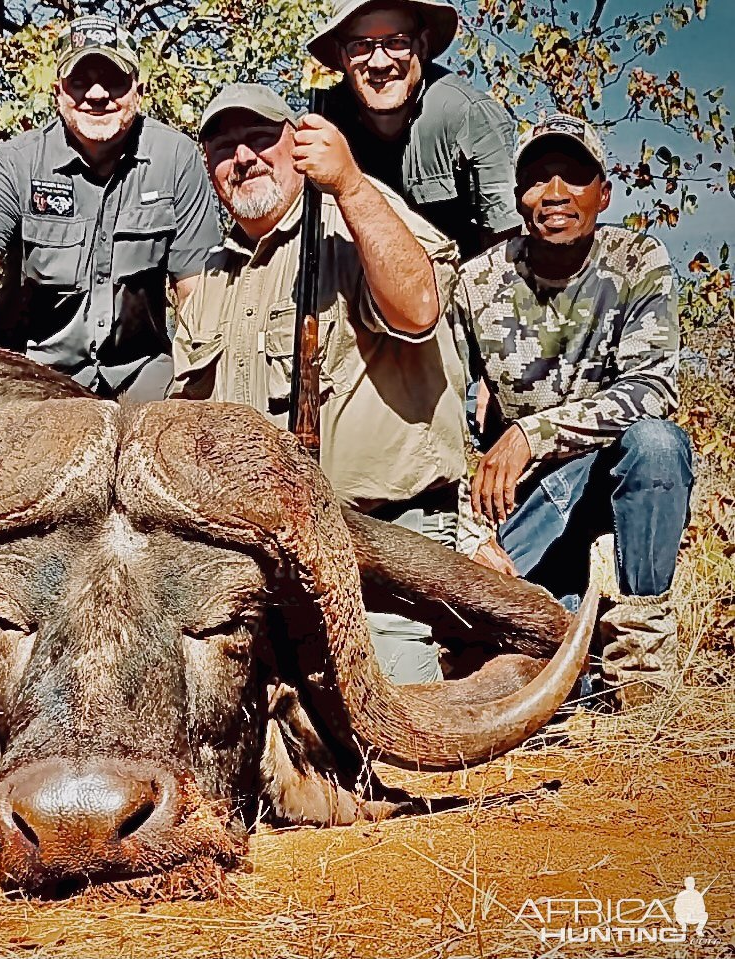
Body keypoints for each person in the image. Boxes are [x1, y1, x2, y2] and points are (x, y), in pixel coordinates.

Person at [171, 82, 473, 683]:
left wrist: (352, 184)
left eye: (261, 138)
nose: (244, 158)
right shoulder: (207, 278)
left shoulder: (354, 217)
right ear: (209, 170)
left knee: (389, 738)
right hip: (256, 556)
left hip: (381, 539)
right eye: (224, 148)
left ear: (299, 143)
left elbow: (417, 307)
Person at [453, 113, 693, 708]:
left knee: (659, 443)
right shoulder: (476, 281)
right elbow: (443, 422)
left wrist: (531, 434)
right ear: (517, 198)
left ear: (603, 194)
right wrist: (468, 533)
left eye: (574, 177)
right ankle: (552, 641)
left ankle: (640, 654)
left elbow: (653, 389)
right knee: (550, 692)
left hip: (612, 476)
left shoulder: (639, 260)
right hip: (525, 503)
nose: (555, 194)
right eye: (537, 179)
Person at [0, 15, 220, 400]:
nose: (97, 94)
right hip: (31, 373)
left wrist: (200, 380)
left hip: (142, 371)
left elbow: (196, 288)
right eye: (80, 81)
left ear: (138, 89)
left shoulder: (176, 157)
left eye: (114, 80)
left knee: (187, 437)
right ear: (58, 92)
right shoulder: (13, 163)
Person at [307, 0, 519, 259]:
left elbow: (507, 246)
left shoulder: (470, 115)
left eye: (396, 43)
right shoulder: (322, 123)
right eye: (361, 46)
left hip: (458, 286)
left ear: (423, 44)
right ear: (342, 55)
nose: (379, 63)